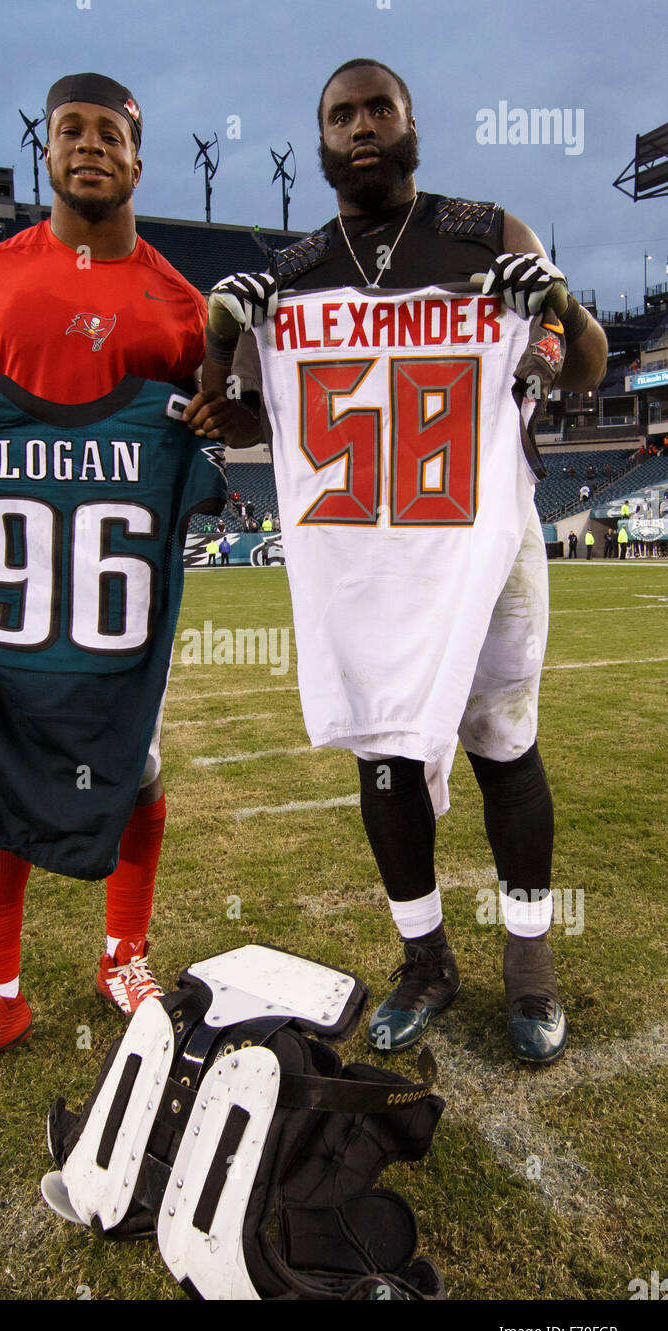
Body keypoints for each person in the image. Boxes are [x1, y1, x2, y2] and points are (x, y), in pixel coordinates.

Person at [0, 70, 244, 1106]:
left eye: (110, 133)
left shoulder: (177, 303)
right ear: (47, 152)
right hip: (3, 582)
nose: (89, 146)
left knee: (136, 767)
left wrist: (210, 417)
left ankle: (123, 955)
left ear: (137, 159)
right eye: (70, 130)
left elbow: (221, 425)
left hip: (109, 595)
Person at [192, 57, 607, 1065]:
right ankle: (423, 960)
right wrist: (217, 337)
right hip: (365, 558)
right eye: (342, 114)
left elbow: (581, 364)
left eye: (379, 108)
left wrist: (553, 297)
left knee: (502, 739)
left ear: (409, 123)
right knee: (383, 749)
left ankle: (528, 966)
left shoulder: (485, 230)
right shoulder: (289, 276)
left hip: (478, 541)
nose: (361, 125)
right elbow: (240, 417)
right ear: (322, 137)